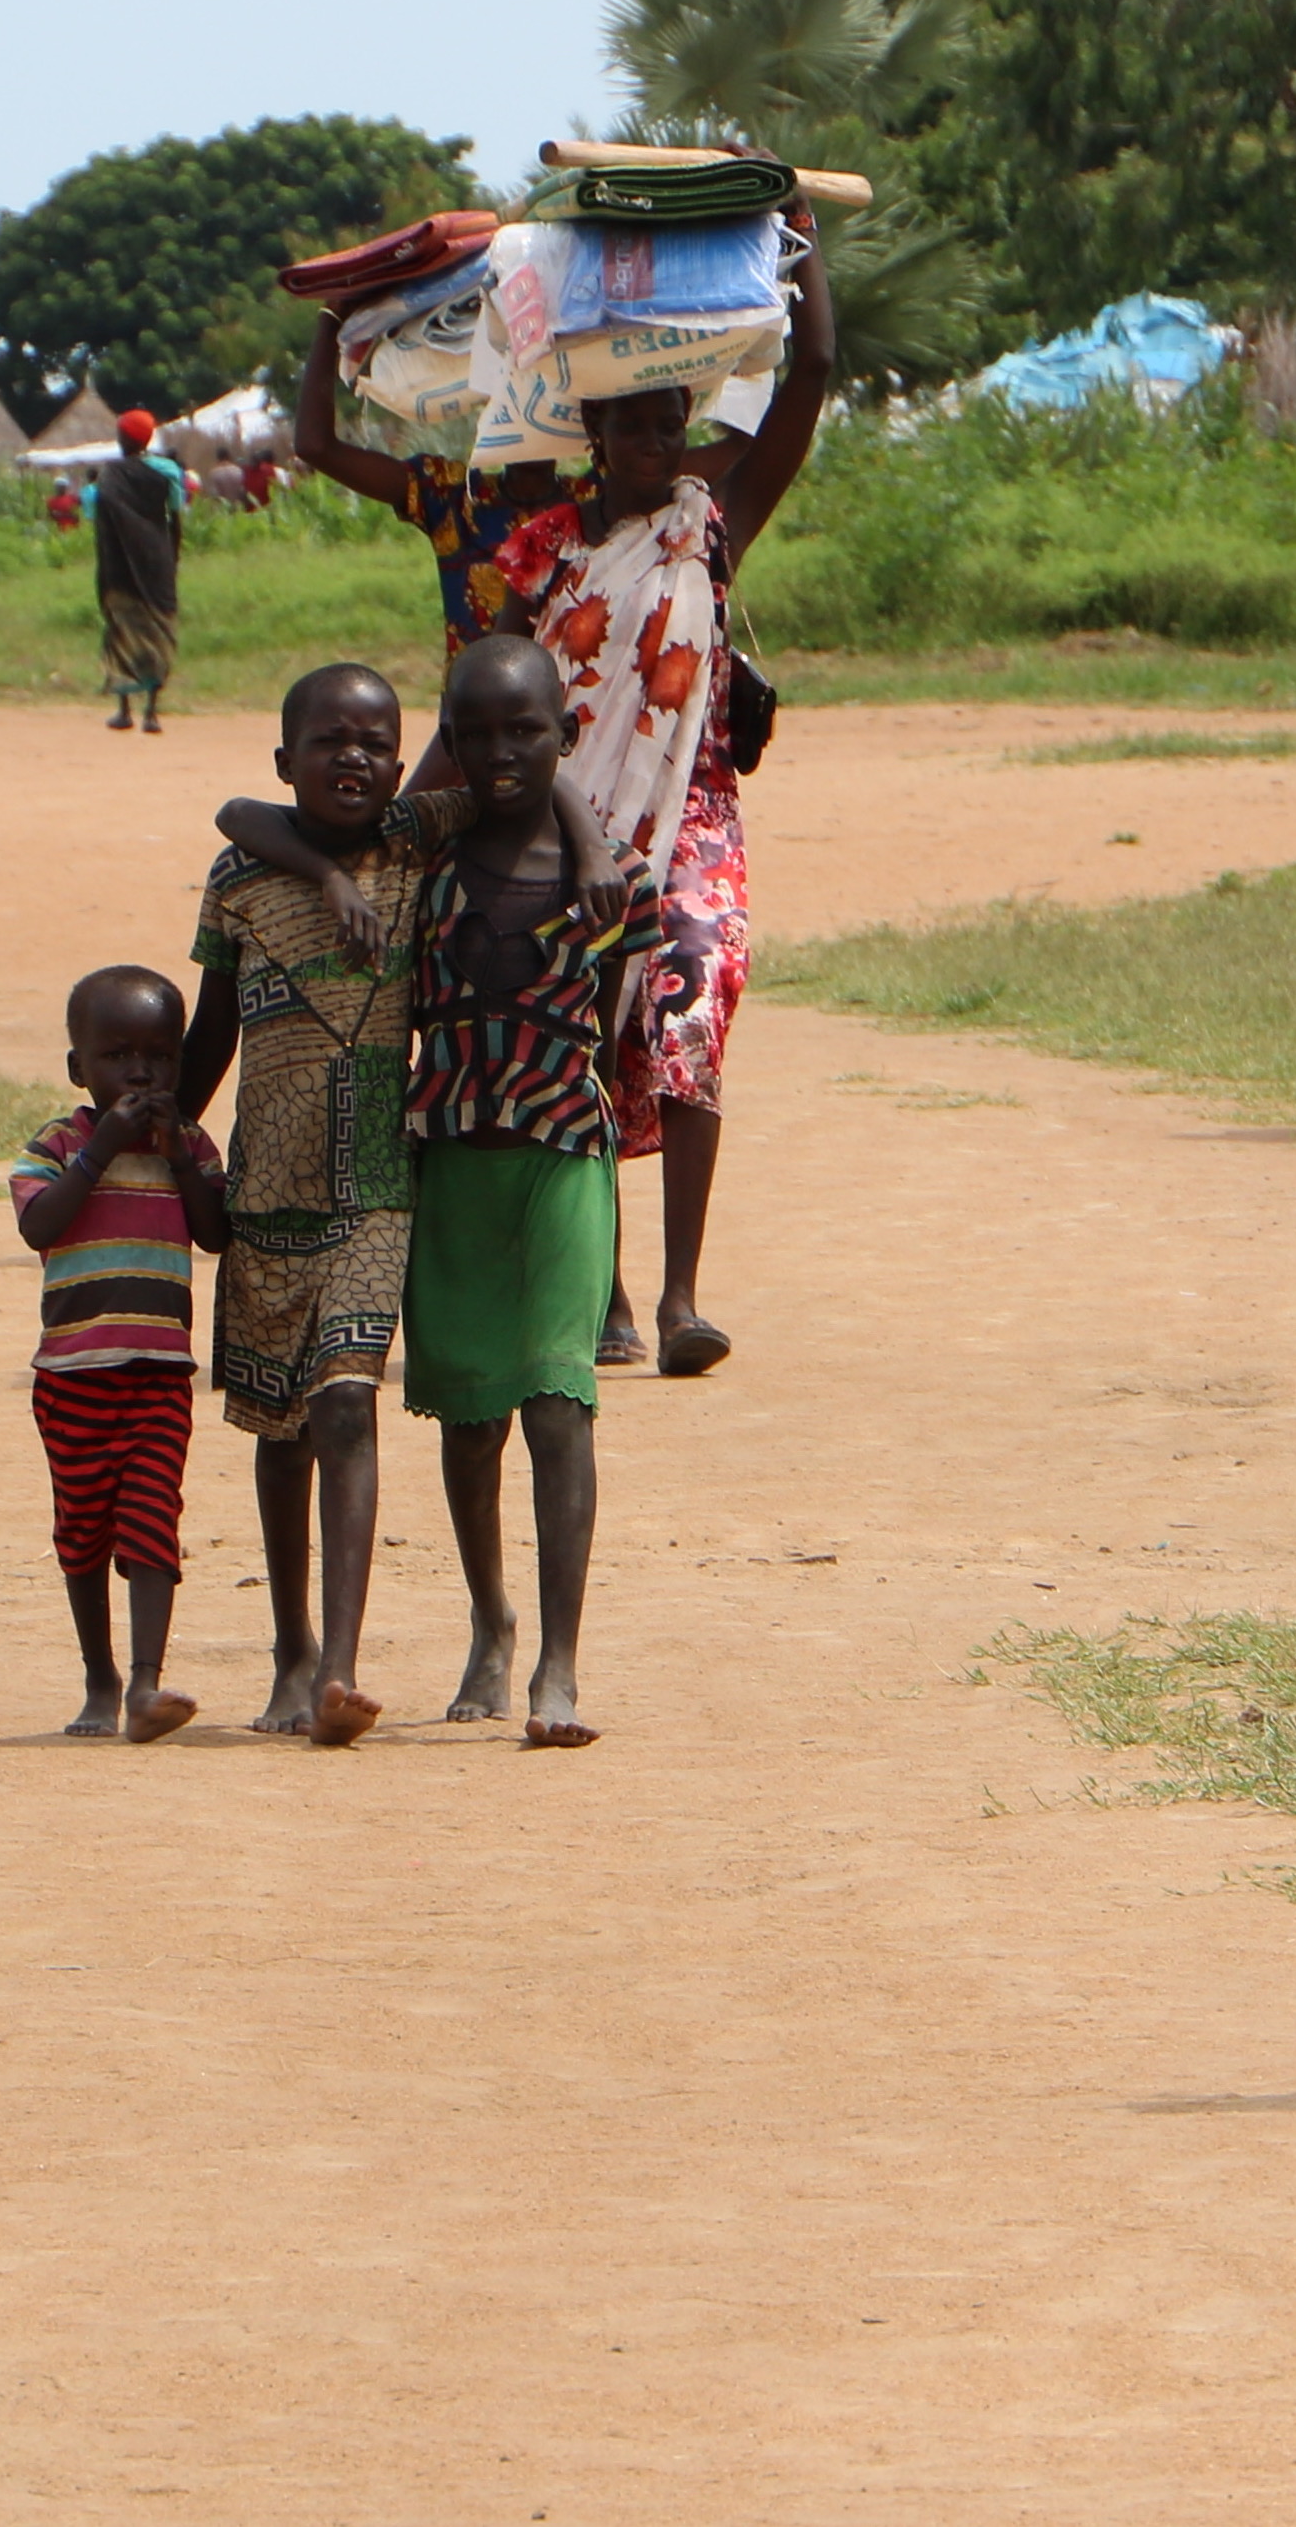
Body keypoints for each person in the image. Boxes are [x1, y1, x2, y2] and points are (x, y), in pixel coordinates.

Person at [194, 661, 623, 1742]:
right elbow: (237, 823)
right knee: (282, 1429)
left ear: (401, 760)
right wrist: (164, 1148)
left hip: (391, 1175)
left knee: (349, 1402)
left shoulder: (413, 837)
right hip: (268, 1182)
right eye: (326, 742)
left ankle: (340, 1669)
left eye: (373, 744)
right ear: (288, 752)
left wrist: (594, 843)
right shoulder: (241, 879)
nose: (351, 759)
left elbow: (525, 768)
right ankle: (293, 1650)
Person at [483, 221, 837, 1377]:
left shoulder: (706, 521)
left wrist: (800, 257)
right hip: (563, 824)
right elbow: (483, 697)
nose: (655, 441)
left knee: (690, 1000)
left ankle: (683, 1297)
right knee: (575, 1035)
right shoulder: (540, 550)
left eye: (670, 421)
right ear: (590, 430)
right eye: (631, 422)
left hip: (693, 815)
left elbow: (811, 379)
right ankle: (610, 1290)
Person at [385, 636, 658, 1747]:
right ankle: (489, 1620)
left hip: (560, 1156)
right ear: (448, 738)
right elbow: (269, 820)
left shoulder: (617, 886)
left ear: (567, 734)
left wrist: (587, 828)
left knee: (557, 1403)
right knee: (467, 1417)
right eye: (475, 730)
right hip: (449, 1154)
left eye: (526, 730)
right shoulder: (422, 871)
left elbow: (627, 1044)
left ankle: (559, 1662)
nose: (502, 752)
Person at [12, 965, 233, 1742]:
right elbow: (41, 1228)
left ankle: (145, 1684)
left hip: (159, 1376)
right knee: (81, 1530)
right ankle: (99, 1678)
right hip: (71, 1378)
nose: (140, 1072)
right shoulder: (57, 1145)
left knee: (148, 1519)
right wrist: (99, 1152)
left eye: (160, 1056)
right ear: (79, 1068)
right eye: (116, 1055)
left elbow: (214, 1231)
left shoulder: (191, 1145)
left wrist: (177, 1154)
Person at [288, 307, 560, 653]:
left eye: (542, 405)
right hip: (472, 705)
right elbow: (315, 446)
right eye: (511, 405)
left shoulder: (593, 502)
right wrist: (331, 320)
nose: (527, 420)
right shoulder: (455, 500)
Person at [95, 406, 184, 731]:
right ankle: (152, 712)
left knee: (122, 632)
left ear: (124, 438)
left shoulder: (110, 474)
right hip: (157, 561)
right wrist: (170, 555)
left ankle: (124, 710)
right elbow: (175, 514)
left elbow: (97, 514)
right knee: (158, 632)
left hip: (118, 564)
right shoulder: (168, 471)